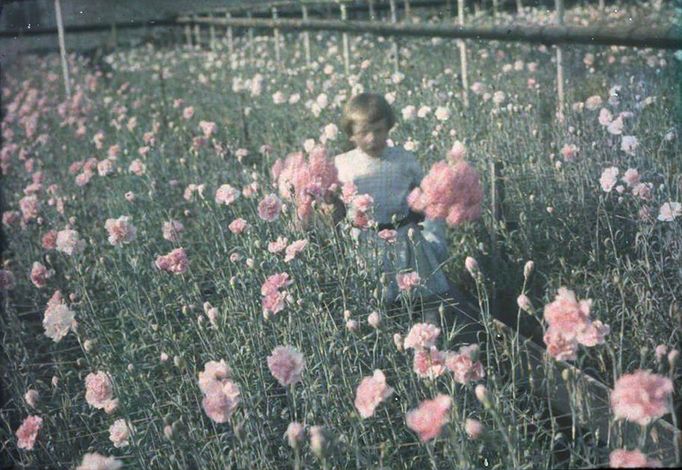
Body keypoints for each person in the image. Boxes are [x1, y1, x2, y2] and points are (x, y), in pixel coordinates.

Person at [332, 93, 470, 321]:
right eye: (363, 132)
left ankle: (431, 333)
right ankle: (387, 332)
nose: (372, 139)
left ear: (388, 127)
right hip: (366, 240)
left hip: (405, 236)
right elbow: (333, 201)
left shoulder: (403, 159)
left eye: (378, 130)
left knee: (424, 292)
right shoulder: (343, 164)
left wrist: (439, 195)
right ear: (351, 134)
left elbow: (424, 191)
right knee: (376, 296)